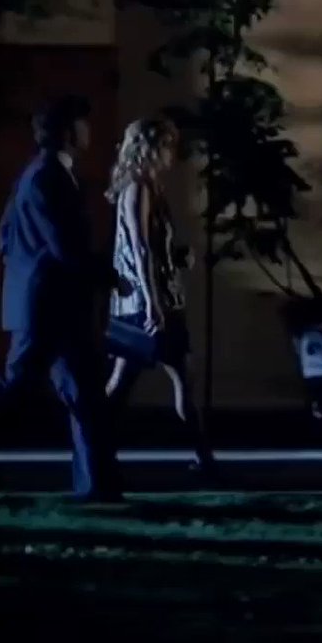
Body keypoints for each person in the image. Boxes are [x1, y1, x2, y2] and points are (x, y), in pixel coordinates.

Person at [0, 95, 123, 502]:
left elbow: (5, 235)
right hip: (48, 308)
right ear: (68, 132)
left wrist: (27, 267)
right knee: (21, 389)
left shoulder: (38, 175)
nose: (89, 131)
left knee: (82, 391)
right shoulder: (48, 177)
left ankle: (97, 485)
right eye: (82, 124)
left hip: (49, 304)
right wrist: (109, 276)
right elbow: (66, 247)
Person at [104, 117, 217, 478]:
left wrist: (176, 257)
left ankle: (203, 458)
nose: (172, 152)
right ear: (150, 148)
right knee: (131, 381)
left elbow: (151, 246)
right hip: (145, 304)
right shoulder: (138, 188)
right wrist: (152, 300)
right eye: (167, 144)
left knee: (165, 377)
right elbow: (138, 248)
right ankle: (95, 451)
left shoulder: (151, 187)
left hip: (156, 299)